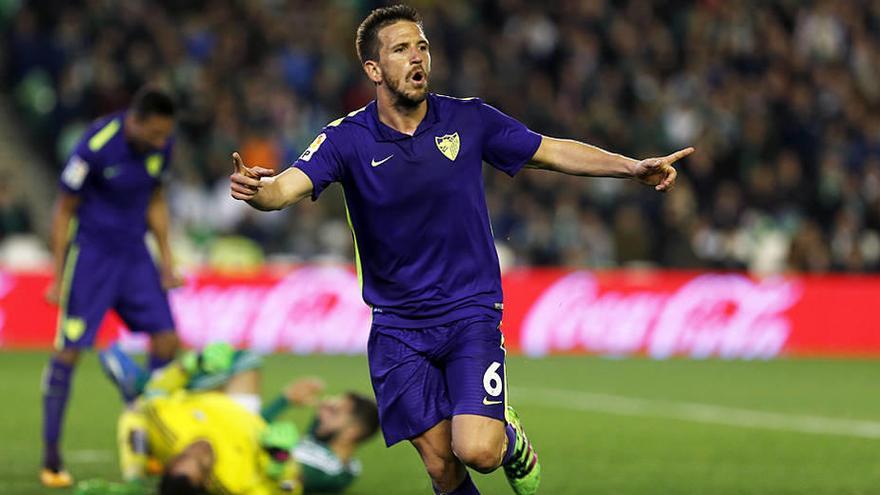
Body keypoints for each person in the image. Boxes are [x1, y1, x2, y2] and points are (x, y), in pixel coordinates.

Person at [228, 5, 693, 495]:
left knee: (476, 452)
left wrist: (630, 167)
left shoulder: (468, 119)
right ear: (373, 69)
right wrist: (260, 192)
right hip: (397, 326)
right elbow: (283, 190)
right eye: (401, 49)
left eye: (422, 46)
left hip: (468, 310)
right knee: (441, 468)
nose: (417, 58)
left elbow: (550, 150)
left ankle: (509, 439)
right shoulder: (347, 139)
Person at [41, 86, 182, 488]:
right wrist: (56, 273)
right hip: (92, 258)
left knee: (167, 341)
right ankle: (51, 457)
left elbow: (155, 199)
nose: (160, 142)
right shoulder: (95, 144)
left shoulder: (161, 146)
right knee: (68, 352)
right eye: (154, 134)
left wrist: (167, 260)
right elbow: (64, 208)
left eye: (164, 135)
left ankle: (152, 442)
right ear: (133, 121)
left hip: (135, 256)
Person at [92, 343, 379, 494]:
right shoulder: (329, 456)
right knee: (246, 363)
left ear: (352, 431)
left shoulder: (331, 470)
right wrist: (285, 404)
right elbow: (258, 437)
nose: (321, 409)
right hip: (231, 436)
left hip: (223, 439)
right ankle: (150, 386)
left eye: (333, 411)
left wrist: (278, 454)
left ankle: (144, 385)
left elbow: (286, 476)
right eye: (327, 404)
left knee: (239, 366)